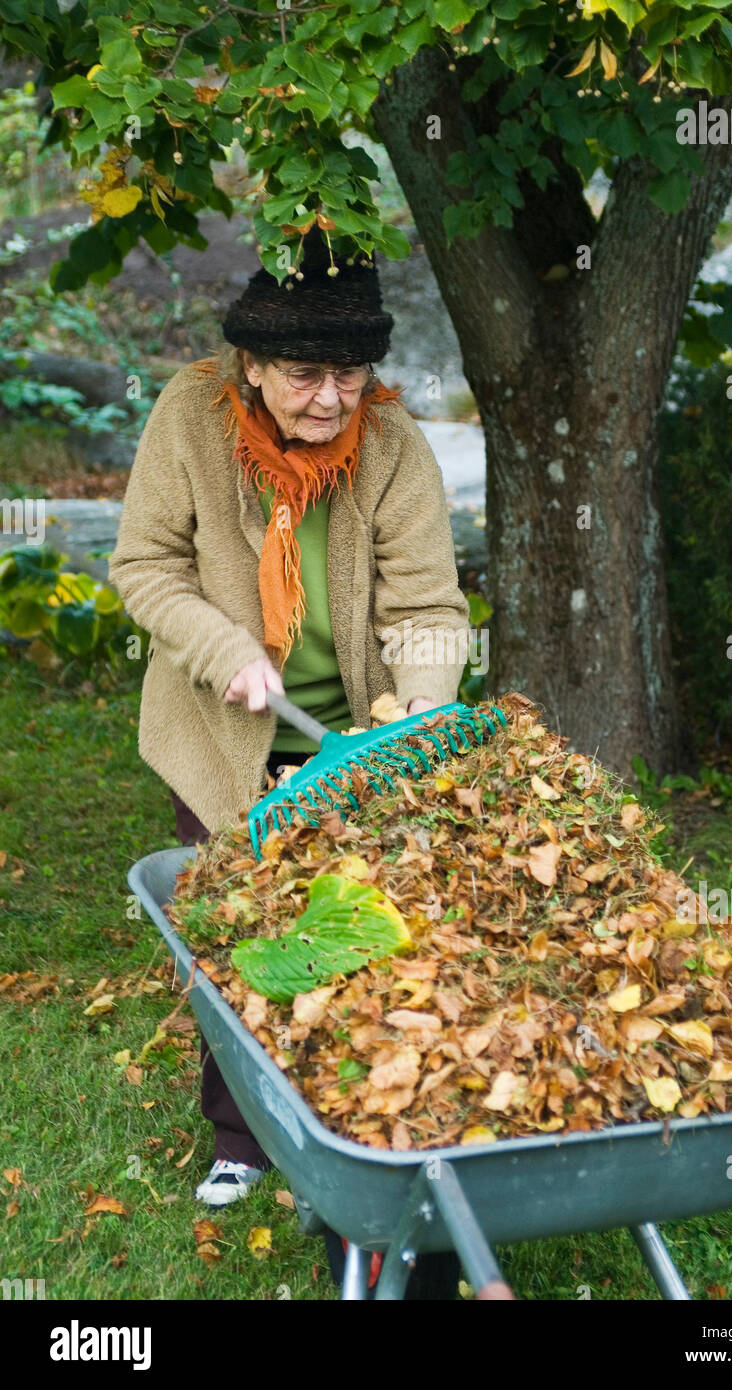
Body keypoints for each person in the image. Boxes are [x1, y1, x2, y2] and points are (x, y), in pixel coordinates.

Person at [109, 229, 468, 1294]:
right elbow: (144, 562)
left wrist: (416, 714)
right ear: (254, 367)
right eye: (305, 374)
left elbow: (428, 606)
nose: (328, 399)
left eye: (349, 375)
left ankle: (353, 1128)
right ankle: (240, 1137)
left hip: (350, 734)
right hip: (222, 726)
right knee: (236, 938)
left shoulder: (392, 447)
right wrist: (226, 650)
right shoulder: (190, 417)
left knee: (353, 930)